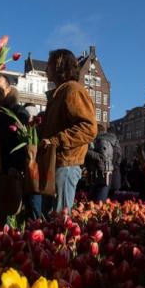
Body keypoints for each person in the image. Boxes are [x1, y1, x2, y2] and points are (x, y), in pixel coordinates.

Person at [40, 49, 97, 213]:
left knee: (60, 218)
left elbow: (88, 128)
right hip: (56, 163)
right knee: (51, 217)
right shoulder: (61, 92)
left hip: (66, 164)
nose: (46, 69)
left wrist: (55, 141)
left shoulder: (73, 90)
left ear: (59, 66)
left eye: (49, 65)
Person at [0, 75, 30, 219]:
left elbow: (21, 143)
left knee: (4, 211)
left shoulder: (19, 112)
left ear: (8, 89)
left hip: (7, 171)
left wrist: (15, 166)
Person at [85, 126, 121, 202]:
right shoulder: (106, 140)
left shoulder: (102, 140)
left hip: (102, 175)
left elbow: (103, 157)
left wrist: (86, 151)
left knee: (99, 201)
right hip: (102, 174)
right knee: (97, 201)